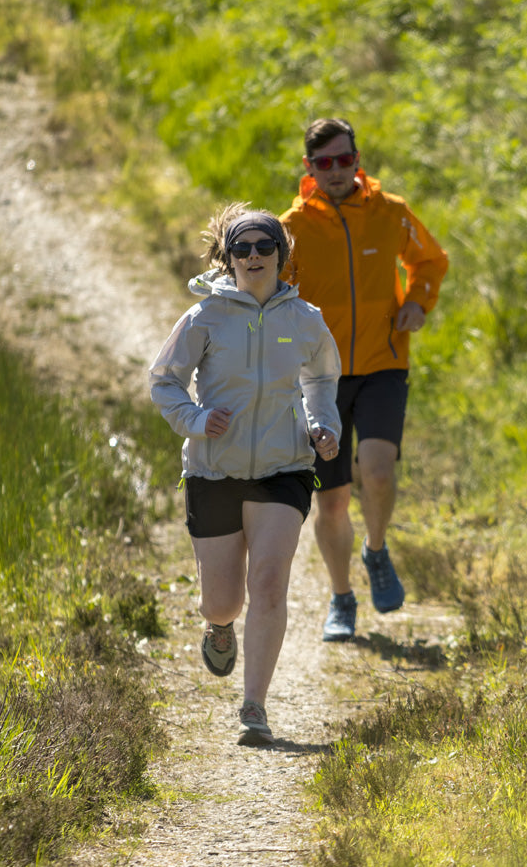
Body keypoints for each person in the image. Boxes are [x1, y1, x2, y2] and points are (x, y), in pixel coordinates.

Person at [149, 204, 341, 745]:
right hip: (214, 469)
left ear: (282, 254)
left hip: (285, 468)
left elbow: (322, 379)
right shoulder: (204, 317)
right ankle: (218, 625)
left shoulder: (305, 319)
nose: (254, 256)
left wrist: (323, 426)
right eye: (242, 248)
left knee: (270, 582)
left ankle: (254, 704)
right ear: (227, 257)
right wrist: (195, 420)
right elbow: (164, 380)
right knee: (224, 599)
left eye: (265, 246)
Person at [280, 118, 449, 642]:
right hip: (320, 378)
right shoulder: (293, 226)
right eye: (324, 162)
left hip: (383, 362)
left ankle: (376, 551)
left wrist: (418, 302)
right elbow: (274, 292)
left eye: (343, 159)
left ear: (358, 159)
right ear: (309, 168)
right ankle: (341, 598)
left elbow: (430, 260)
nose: (335, 170)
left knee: (377, 473)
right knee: (331, 502)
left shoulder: (391, 213)